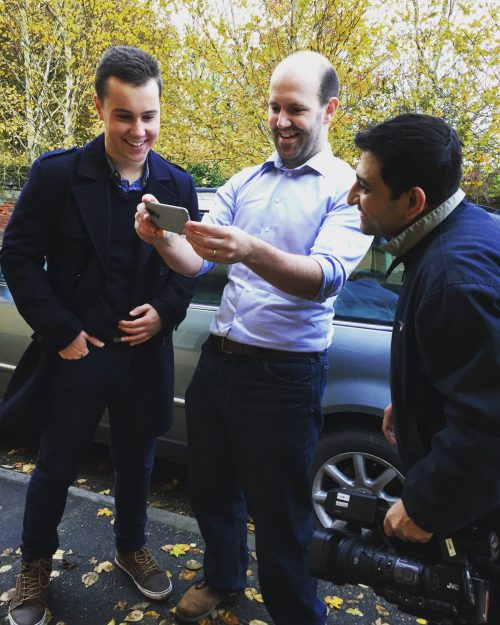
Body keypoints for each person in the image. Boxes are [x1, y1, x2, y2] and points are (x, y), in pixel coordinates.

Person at [135, 50, 372, 624]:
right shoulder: (245, 179)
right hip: (222, 360)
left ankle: (296, 613)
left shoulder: (348, 189)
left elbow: (324, 279)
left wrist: (248, 250)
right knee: (211, 487)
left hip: (285, 375)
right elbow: (196, 262)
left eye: (295, 108)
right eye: (274, 106)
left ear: (329, 110)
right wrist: (161, 239)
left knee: (282, 513)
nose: (281, 119)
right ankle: (223, 577)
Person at [0, 46, 199, 625]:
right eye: (124, 116)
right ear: (99, 108)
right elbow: (17, 256)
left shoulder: (175, 185)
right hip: (77, 353)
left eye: (149, 116)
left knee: (138, 462)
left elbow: (186, 271)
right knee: (57, 464)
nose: (139, 131)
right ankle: (34, 565)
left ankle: (131, 548)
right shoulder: (58, 174)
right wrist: (61, 330)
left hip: (143, 356)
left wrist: (164, 314)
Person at [347, 113, 500, 623]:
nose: (352, 197)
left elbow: (490, 423)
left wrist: (424, 507)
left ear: (413, 201)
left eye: (366, 188)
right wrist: (414, 396)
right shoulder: (466, 232)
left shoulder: (454, 276)